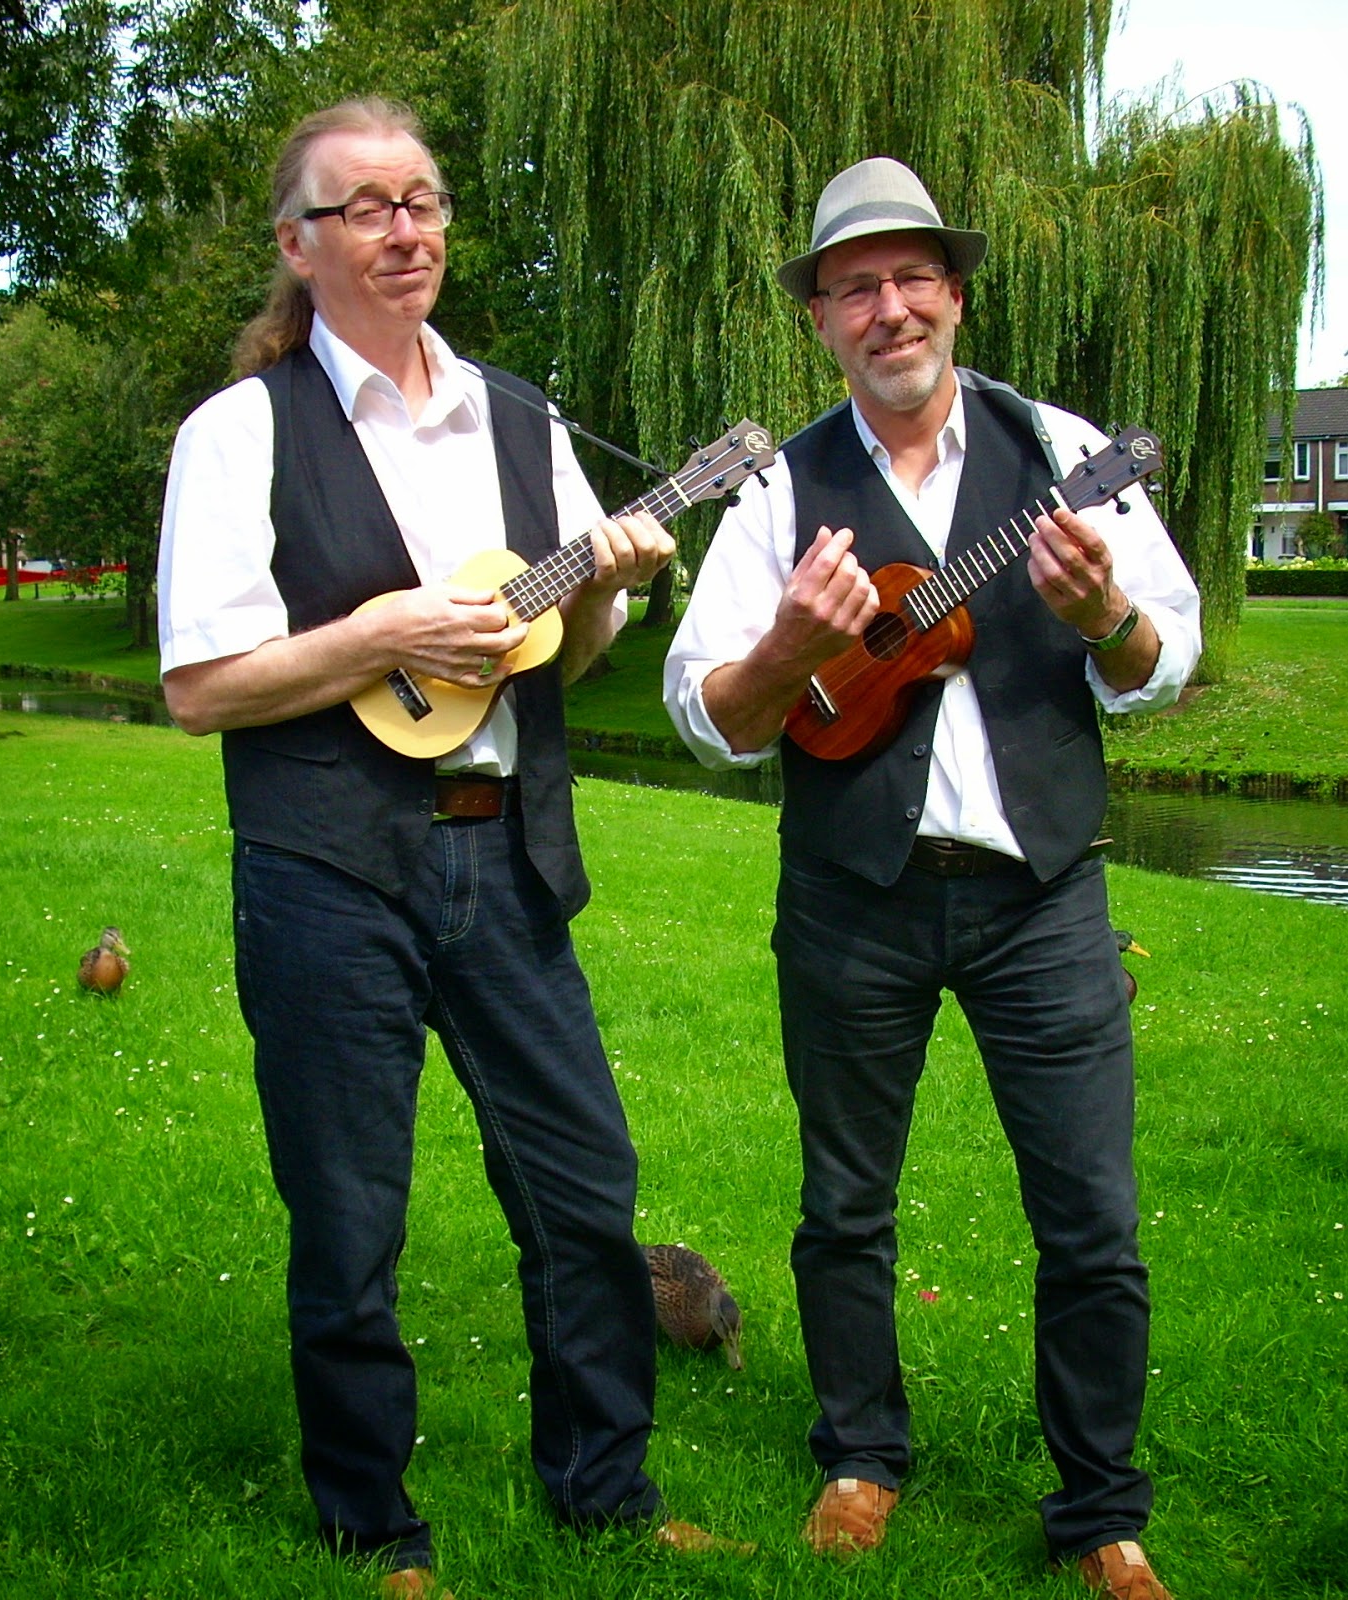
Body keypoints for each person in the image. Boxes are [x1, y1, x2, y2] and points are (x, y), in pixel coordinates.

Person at [157, 97, 720, 1598]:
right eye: (366, 207)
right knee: (351, 1214)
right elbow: (200, 686)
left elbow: (560, 658)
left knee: (583, 1188)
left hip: (505, 854)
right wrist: (377, 635)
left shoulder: (522, 419)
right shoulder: (241, 431)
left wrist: (598, 592)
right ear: (299, 245)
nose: (405, 230)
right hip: (326, 870)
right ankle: (373, 1530)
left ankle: (604, 1496)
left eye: (423, 201)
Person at [664, 157, 1201, 1600]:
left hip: (1044, 899)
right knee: (844, 1204)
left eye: (911, 278)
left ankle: (1101, 1513)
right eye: (856, 287)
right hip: (853, 896)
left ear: (954, 295)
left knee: (1091, 1219)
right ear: (822, 320)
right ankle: (859, 1458)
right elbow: (707, 714)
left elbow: (1165, 657)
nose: (888, 309)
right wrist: (788, 648)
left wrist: (1107, 619)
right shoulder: (782, 487)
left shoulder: (1064, 450)